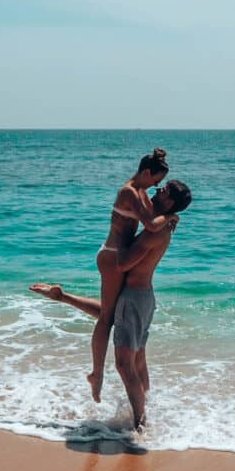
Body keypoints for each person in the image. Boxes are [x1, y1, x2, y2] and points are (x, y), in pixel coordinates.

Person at [33, 180, 192, 430]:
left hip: (135, 298)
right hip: (141, 297)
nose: (158, 190)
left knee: (124, 365)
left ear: (170, 201)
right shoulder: (162, 225)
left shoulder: (156, 230)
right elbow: (109, 314)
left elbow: (123, 263)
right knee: (136, 360)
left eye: (164, 190)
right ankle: (144, 411)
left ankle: (140, 424)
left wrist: (116, 238)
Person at [88, 148, 177, 404]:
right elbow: (151, 224)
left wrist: (168, 216)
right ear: (147, 172)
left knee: (112, 314)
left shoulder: (141, 192)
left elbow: (152, 221)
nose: (157, 186)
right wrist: (170, 215)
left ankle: (108, 380)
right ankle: (97, 374)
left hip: (117, 258)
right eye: (156, 180)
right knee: (106, 318)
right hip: (113, 257)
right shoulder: (129, 191)